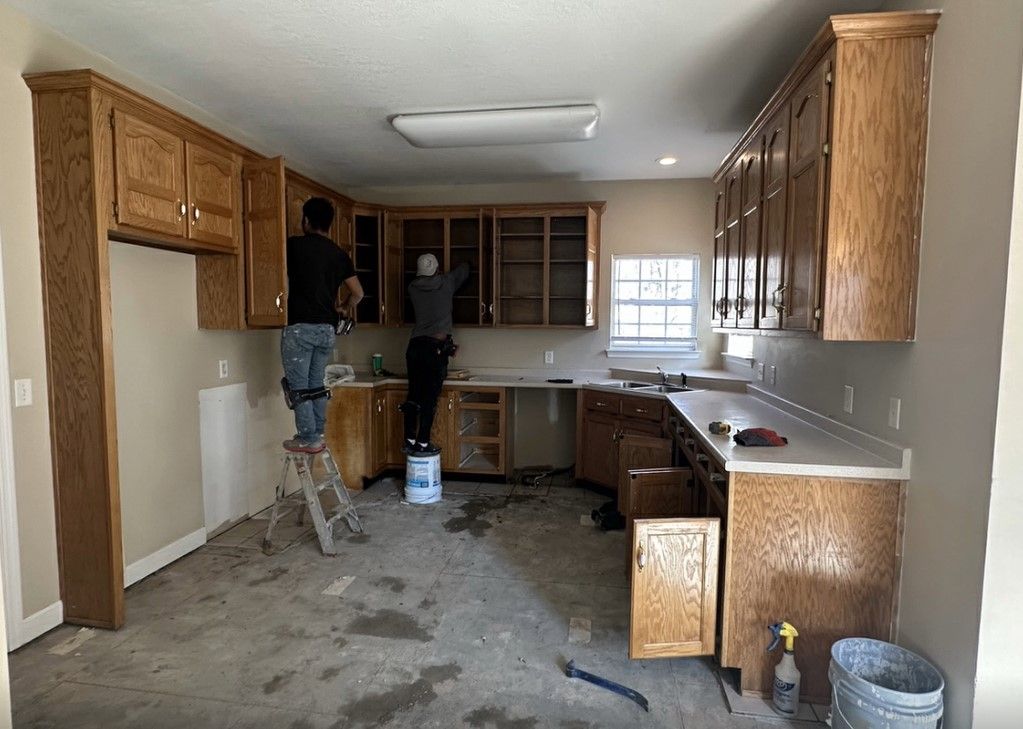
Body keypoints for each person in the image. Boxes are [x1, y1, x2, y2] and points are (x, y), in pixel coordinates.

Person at [281, 197, 363, 453]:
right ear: (329, 224)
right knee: (316, 384)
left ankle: (308, 437)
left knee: (299, 387)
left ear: (305, 221)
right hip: (326, 329)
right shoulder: (339, 254)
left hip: (299, 328)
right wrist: (343, 307)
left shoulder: (293, 246)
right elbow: (358, 293)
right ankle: (317, 432)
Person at [402, 254, 469, 455]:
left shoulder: (412, 288)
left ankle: (409, 439)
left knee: (414, 395)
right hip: (434, 350)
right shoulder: (446, 282)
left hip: (415, 347)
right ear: (437, 270)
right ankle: (423, 443)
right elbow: (464, 269)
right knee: (429, 398)